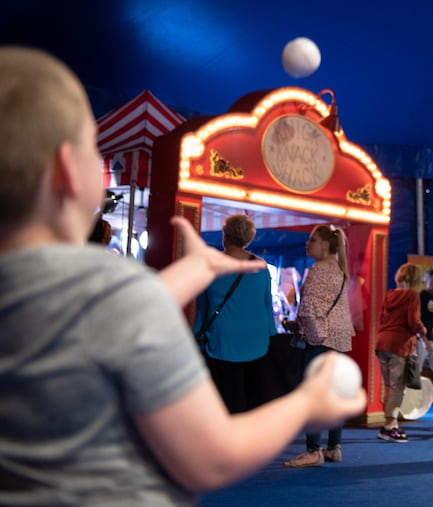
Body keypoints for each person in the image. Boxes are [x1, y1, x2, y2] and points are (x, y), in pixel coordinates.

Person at [0, 46, 366, 505]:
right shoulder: (112, 290)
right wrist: (307, 403)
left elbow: (118, 309)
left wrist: (195, 269)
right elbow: (212, 456)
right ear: (68, 173)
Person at [283, 224, 355, 467]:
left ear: (324, 245)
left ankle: (313, 450)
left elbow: (310, 309)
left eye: (312, 240)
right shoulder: (339, 270)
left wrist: (309, 334)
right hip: (339, 340)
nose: (307, 244)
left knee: (311, 395)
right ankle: (334, 447)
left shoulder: (318, 269)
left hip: (320, 341)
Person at [193, 213, 278, 413]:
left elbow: (203, 307)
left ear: (226, 236)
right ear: (248, 238)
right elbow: (267, 305)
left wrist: (195, 335)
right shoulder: (260, 267)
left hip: (222, 340)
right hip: (256, 340)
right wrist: (270, 335)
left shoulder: (212, 265)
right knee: (252, 397)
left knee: (226, 397)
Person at [375, 262, 427, 443]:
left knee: (389, 386)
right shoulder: (412, 295)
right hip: (399, 344)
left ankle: (391, 422)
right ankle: (389, 426)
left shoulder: (389, 295)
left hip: (382, 343)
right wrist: (424, 332)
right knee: (397, 387)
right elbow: (413, 321)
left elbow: (382, 319)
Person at [418, 268, 433, 379]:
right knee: (417, 368)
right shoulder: (421, 296)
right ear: (426, 280)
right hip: (422, 339)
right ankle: (412, 395)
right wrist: (423, 339)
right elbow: (417, 320)